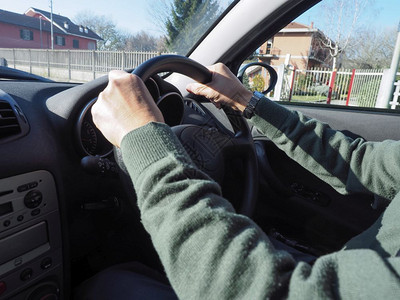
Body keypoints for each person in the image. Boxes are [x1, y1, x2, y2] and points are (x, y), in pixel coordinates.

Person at [78, 63, 400, 299]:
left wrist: (143, 139)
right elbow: (361, 161)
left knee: (106, 286)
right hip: (352, 269)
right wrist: (245, 99)